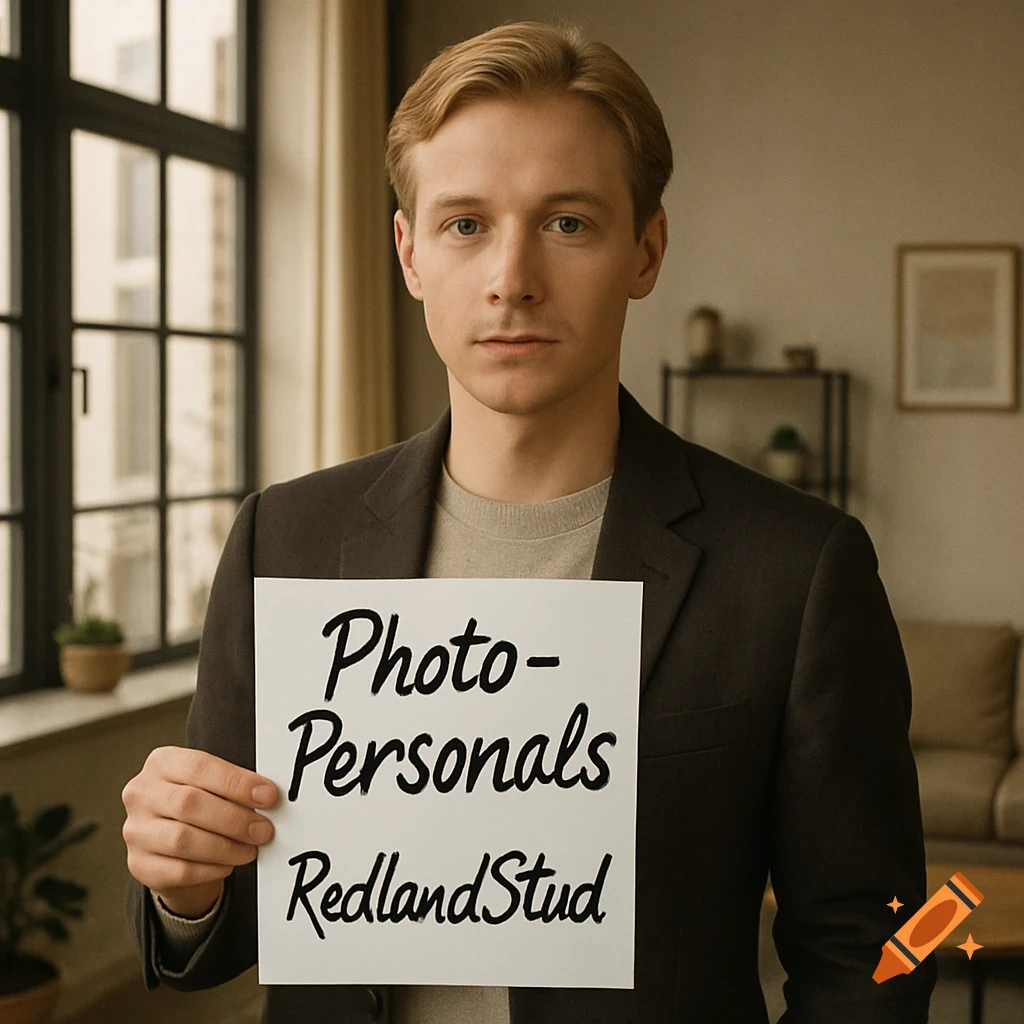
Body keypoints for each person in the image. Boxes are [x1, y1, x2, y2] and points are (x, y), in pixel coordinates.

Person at [122, 18, 936, 1024]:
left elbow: (895, 933)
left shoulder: (798, 569)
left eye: (567, 223)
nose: (512, 277)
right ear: (409, 252)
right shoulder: (283, 540)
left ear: (646, 248)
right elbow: (219, 939)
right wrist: (185, 885)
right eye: (465, 224)